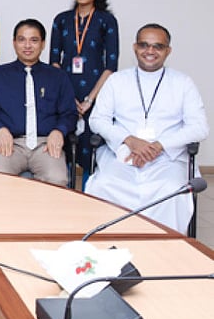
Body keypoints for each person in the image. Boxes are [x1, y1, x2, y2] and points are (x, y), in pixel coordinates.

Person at [86, 24, 208, 233]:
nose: (150, 51)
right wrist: (130, 141)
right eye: (144, 45)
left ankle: (166, 251)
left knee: (172, 191)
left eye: (157, 46)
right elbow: (97, 120)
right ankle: (110, 250)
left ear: (168, 51)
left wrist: (159, 146)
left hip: (167, 160)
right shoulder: (117, 81)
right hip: (123, 156)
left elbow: (200, 127)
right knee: (102, 186)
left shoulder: (182, 83)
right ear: (135, 47)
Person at [0, 19, 77, 186]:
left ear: (43, 44)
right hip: (10, 144)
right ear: (14, 43)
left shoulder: (58, 77)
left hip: (46, 145)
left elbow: (70, 113)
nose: (27, 45)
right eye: (22, 40)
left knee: (57, 179)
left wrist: (59, 131)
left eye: (34, 40)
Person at [50, 0, 119, 187]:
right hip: (65, 92)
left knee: (92, 147)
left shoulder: (106, 21)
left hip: (96, 92)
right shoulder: (61, 20)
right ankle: (66, 191)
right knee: (65, 143)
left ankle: (90, 191)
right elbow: (54, 62)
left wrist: (90, 99)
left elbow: (111, 65)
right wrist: (69, 97)